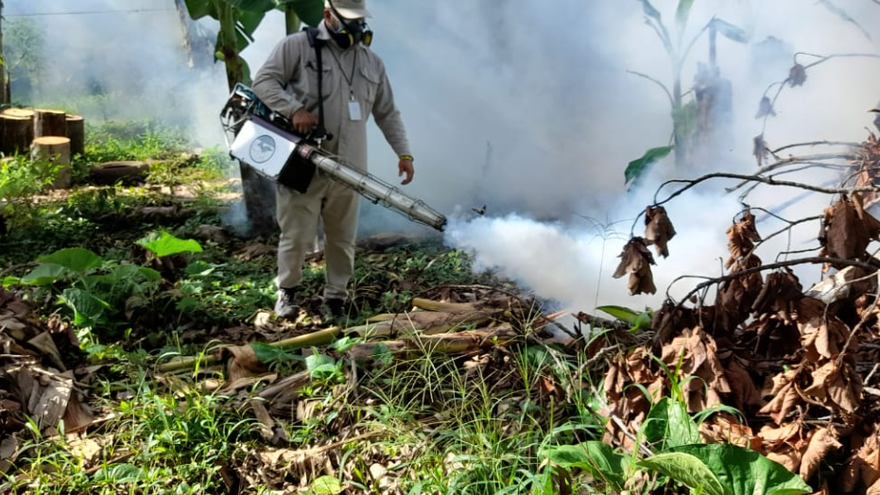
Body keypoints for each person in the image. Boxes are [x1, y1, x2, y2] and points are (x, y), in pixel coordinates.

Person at [252, 0, 414, 323]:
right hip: (304, 162)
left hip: (350, 168)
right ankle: (287, 292)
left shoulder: (372, 63)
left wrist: (404, 153)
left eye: (359, 22)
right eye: (348, 21)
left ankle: (336, 298)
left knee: (342, 236)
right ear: (328, 15)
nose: (355, 29)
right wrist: (293, 109)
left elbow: (387, 112)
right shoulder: (298, 47)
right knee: (296, 233)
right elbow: (263, 82)